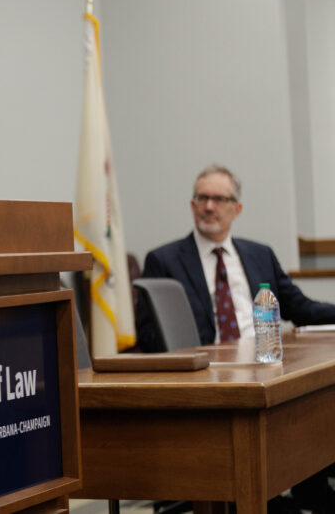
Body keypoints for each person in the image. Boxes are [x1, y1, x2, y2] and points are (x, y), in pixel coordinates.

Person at [140, 164, 335, 513]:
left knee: (315, 410)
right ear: (192, 204)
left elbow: (300, 307)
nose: (209, 206)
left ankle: (308, 486)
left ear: (237, 208)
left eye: (219, 198)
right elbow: (151, 336)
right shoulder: (164, 259)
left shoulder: (259, 254)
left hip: (267, 367)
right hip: (209, 381)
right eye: (202, 197)